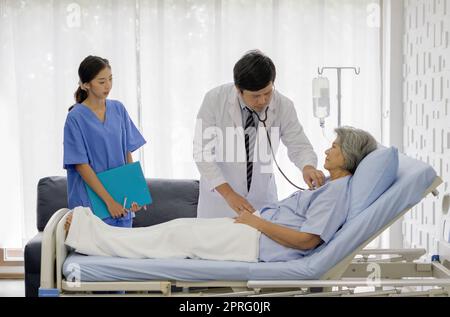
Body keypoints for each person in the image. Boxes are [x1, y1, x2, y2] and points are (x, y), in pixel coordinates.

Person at [65, 127, 378, 262]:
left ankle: (88, 233)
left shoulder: (337, 193)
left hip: (254, 239)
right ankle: (92, 232)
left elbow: (308, 241)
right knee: (177, 231)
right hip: (251, 230)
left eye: (334, 146)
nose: (326, 149)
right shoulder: (329, 187)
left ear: (348, 155)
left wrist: (256, 224)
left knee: (176, 236)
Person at [193, 50, 325, 219]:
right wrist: (228, 194)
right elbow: (202, 153)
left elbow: (298, 145)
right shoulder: (215, 100)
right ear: (239, 90)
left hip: (261, 200)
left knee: (258, 244)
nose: (263, 101)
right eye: (256, 96)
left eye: (268, 93)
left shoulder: (283, 105)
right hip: (219, 202)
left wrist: (308, 166)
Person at [63, 55, 146, 229]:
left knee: (125, 252)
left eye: (110, 79)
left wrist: (132, 193)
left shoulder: (118, 109)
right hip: (91, 202)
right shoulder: (75, 118)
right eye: (101, 81)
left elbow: (126, 152)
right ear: (85, 84)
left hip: (120, 201)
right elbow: (81, 165)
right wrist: (109, 202)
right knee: (95, 254)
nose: (108, 85)